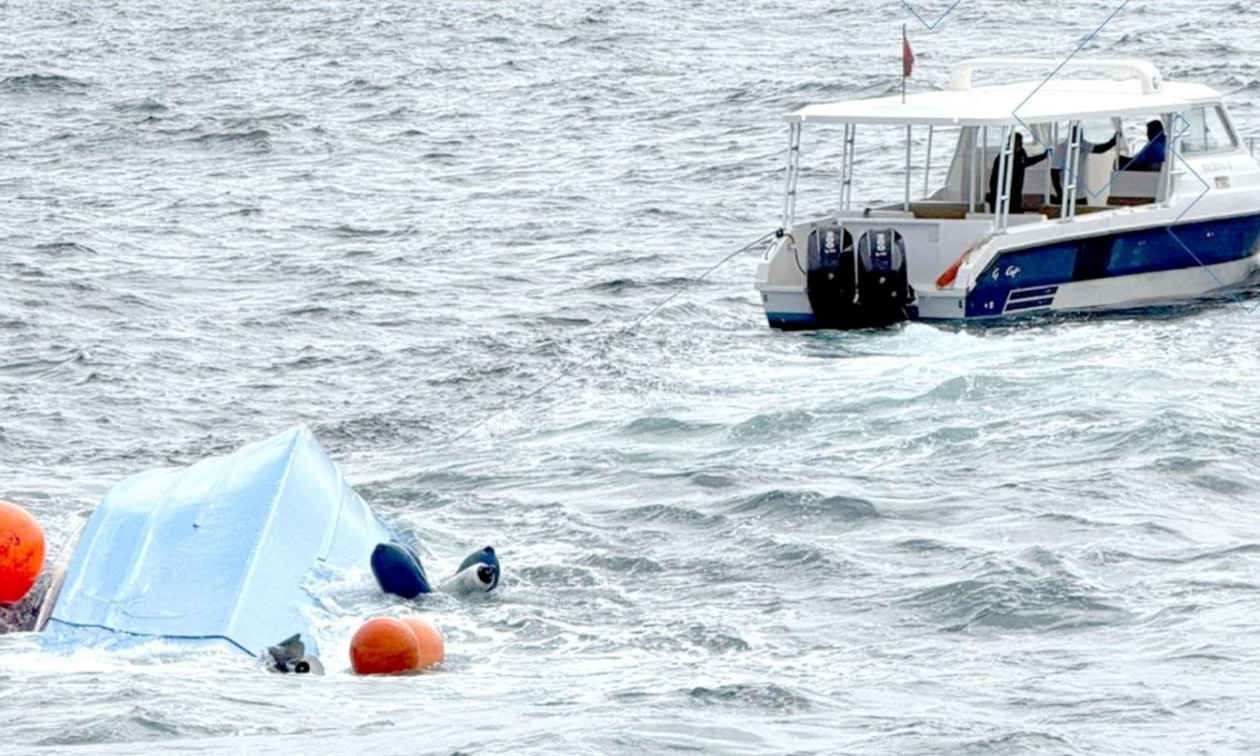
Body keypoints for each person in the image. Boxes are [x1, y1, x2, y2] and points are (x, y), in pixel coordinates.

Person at [1051, 126, 1120, 202]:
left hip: (1082, 194)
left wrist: (1113, 141)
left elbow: (1100, 149)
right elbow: (1054, 171)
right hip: (1066, 194)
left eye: (1080, 133)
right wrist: (1059, 192)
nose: (1080, 135)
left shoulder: (1084, 144)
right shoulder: (1061, 148)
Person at [986, 133, 1048, 214]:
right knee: (1006, 206)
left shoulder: (1021, 152)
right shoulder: (1004, 155)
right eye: (1017, 143)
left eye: (1020, 143)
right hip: (1004, 187)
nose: (1019, 145)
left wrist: (1043, 156)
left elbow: (1025, 162)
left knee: (1016, 204)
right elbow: (996, 177)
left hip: (1017, 186)